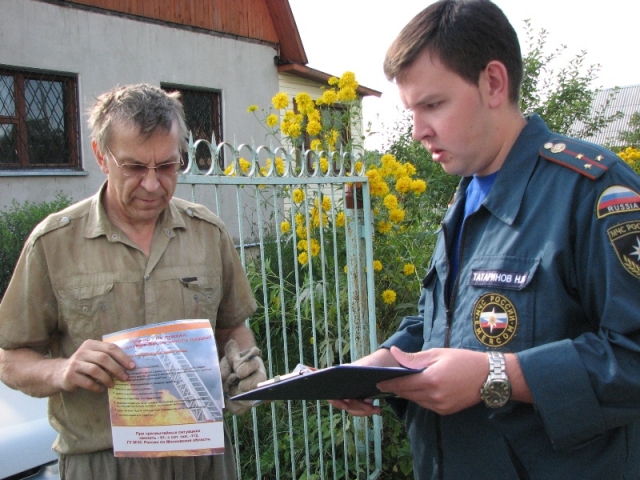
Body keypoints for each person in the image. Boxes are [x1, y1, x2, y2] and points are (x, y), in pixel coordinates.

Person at [330, 1, 640, 478]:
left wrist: (498, 377)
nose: (418, 132)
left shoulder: (591, 191)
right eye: (412, 110)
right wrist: (388, 362)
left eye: (433, 105)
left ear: (493, 83)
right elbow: (453, 320)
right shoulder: (467, 192)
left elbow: (631, 356)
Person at [0, 84, 265, 480]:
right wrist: (63, 371)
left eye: (167, 166)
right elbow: (10, 358)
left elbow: (233, 327)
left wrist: (244, 366)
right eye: (136, 167)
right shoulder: (53, 243)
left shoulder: (209, 233)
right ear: (100, 156)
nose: (153, 184)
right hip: (103, 465)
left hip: (203, 459)